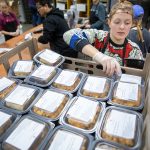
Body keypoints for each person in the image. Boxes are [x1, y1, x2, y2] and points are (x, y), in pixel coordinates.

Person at [63, 1, 143, 76]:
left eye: (127, 23)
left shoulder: (134, 50)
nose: (122, 27)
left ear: (132, 24)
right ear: (109, 22)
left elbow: (136, 78)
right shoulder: (98, 37)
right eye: (117, 22)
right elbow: (68, 34)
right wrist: (98, 56)